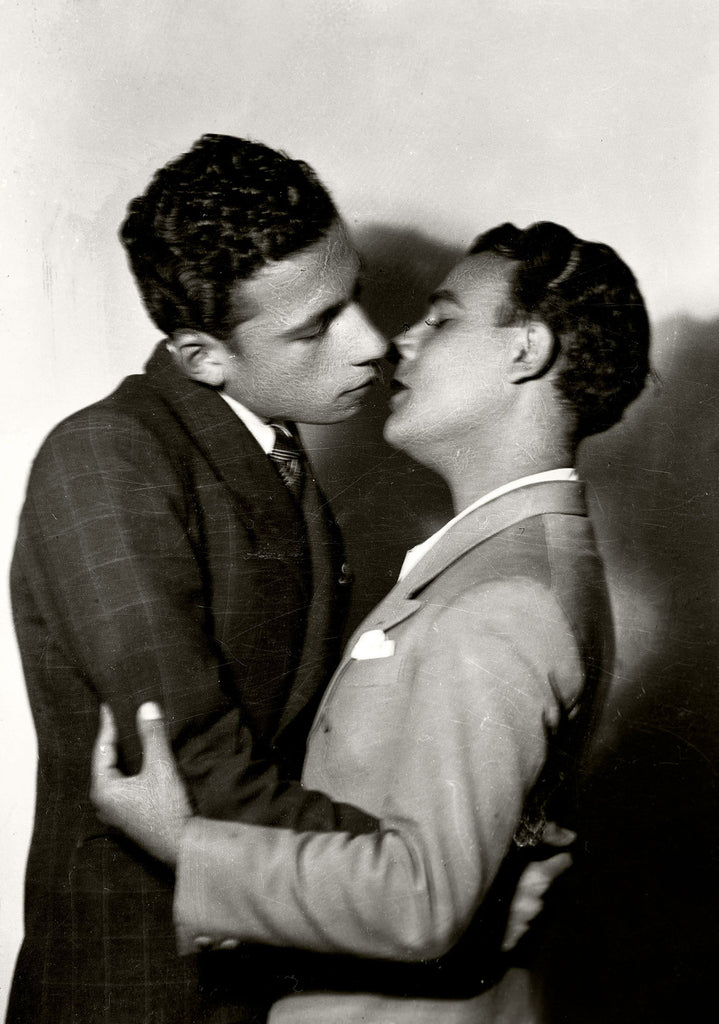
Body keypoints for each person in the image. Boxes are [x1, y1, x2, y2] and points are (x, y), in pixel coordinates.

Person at [92, 220, 651, 1023]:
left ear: (525, 350)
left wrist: (180, 841)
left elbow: (420, 904)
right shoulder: (517, 561)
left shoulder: (504, 599)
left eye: (443, 319)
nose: (400, 342)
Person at [7, 134, 389, 1024]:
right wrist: (440, 874)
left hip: (253, 967)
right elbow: (196, 767)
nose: (372, 343)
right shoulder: (105, 458)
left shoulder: (269, 450)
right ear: (200, 357)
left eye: (357, 296)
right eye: (316, 327)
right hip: (137, 988)